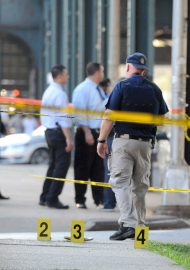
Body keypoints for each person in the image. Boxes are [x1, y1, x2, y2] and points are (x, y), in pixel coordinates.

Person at [97, 52, 168, 240]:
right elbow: (162, 121)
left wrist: (101, 140)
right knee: (140, 186)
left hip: (124, 142)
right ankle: (140, 226)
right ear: (144, 71)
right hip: (145, 144)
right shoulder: (155, 89)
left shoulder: (122, 86)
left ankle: (127, 223)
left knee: (119, 181)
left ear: (128, 67)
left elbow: (109, 117)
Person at [72, 62, 106, 209]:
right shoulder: (82, 89)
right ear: (97, 72)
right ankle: (80, 199)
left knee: (98, 169)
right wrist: (87, 133)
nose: (103, 74)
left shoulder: (98, 89)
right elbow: (79, 113)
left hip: (98, 133)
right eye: (102, 71)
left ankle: (99, 199)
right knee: (82, 167)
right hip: (86, 133)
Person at [39, 65, 73, 209]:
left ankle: (45, 196)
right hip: (58, 132)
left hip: (49, 131)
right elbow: (63, 118)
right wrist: (68, 139)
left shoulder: (49, 91)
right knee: (61, 166)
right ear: (60, 76)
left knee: (53, 165)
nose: (68, 76)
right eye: (66, 74)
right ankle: (52, 198)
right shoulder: (60, 94)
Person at [99, 77, 117, 211]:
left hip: (111, 140)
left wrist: (101, 140)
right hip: (132, 140)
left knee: (109, 172)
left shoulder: (109, 101)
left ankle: (109, 204)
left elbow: (105, 120)